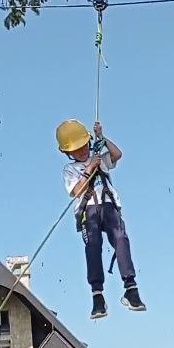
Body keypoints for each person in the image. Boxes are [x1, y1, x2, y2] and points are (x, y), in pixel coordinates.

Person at [56, 118, 146, 319]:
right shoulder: (70, 169)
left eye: (84, 146)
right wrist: (89, 169)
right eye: (76, 150)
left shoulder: (99, 157)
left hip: (108, 205)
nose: (82, 151)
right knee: (93, 247)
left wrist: (102, 138)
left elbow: (117, 154)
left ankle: (131, 288)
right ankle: (97, 295)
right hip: (89, 210)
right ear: (67, 153)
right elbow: (76, 192)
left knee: (121, 239)